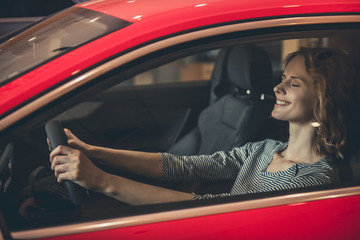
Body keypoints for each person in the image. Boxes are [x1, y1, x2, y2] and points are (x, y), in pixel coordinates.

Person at [49, 47, 355, 205]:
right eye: (282, 78)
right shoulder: (265, 150)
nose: (278, 88)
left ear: (321, 99)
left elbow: (210, 207)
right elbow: (184, 167)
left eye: (294, 83)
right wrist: (94, 152)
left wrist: (102, 181)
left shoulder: (314, 181)